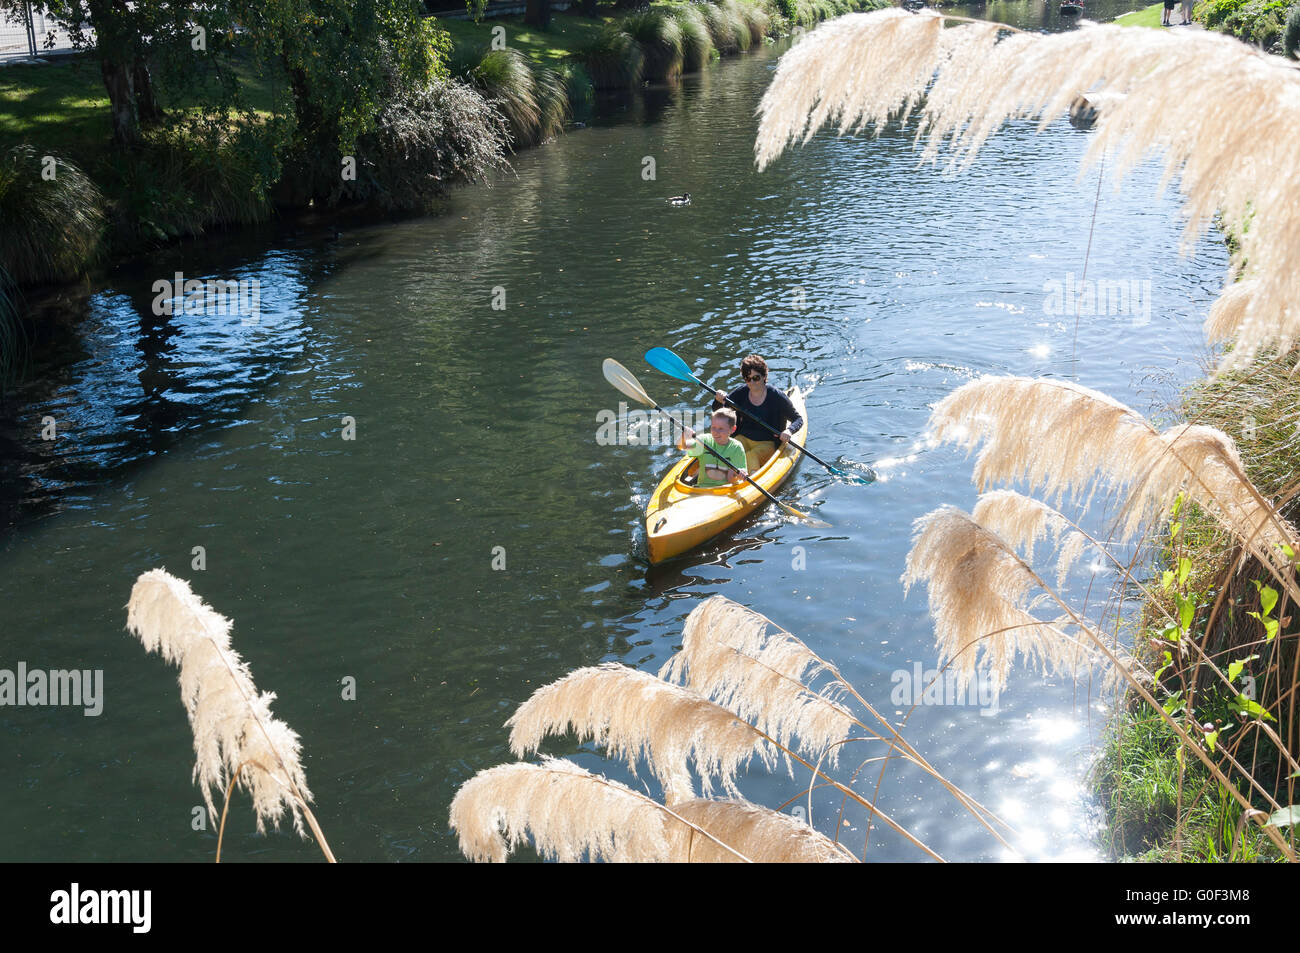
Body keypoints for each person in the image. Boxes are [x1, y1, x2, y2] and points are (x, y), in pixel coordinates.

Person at [711, 354, 804, 473]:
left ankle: (749, 480)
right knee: (728, 448)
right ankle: (716, 475)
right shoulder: (741, 392)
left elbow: (798, 419)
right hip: (743, 438)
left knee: (751, 456)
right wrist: (718, 401)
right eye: (748, 379)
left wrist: (789, 430)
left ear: (764, 376)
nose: (752, 382)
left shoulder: (777, 396)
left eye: (756, 378)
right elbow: (718, 412)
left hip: (767, 442)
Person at [679, 408, 748, 489]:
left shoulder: (737, 447)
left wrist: (738, 475)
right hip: (701, 488)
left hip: (725, 489)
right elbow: (682, 447)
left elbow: (731, 479)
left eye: (721, 429)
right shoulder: (704, 440)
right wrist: (684, 436)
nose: (716, 432)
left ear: (732, 429)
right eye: (713, 427)